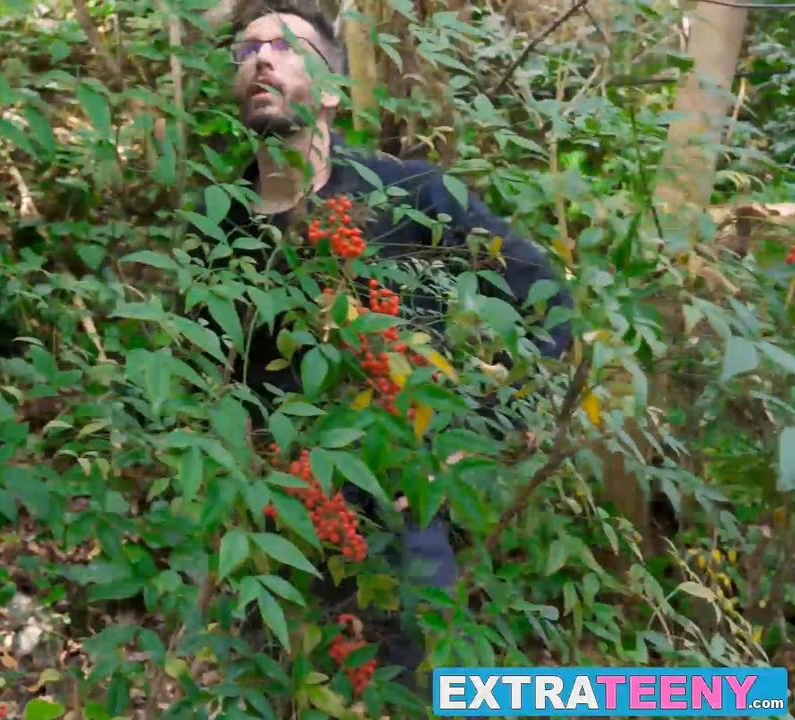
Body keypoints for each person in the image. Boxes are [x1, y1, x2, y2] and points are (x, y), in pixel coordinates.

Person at [199, 1, 576, 685]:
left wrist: (480, 432)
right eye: (246, 50)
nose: (261, 59)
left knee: (416, 689)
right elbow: (212, 373)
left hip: (400, 519)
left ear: (332, 91)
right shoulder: (221, 222)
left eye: (286, 46)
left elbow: (545, 297)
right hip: (274, 528)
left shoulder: (409, 193)